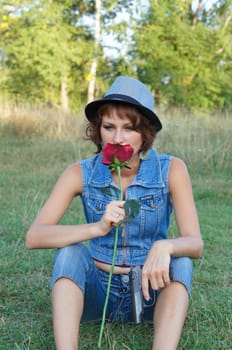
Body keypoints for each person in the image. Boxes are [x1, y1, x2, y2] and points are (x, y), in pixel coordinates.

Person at [25, 76, 203, 350]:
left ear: (145, 133)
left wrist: (165, 245)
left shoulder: (172, 169)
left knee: (181, 263)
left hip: (149, 292)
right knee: (69, 253)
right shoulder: (79, 173)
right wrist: (97, 228)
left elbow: (195, 244)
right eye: (108, 127)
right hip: (98, 293)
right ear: (98, 131)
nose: (117, 138)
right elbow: (34, 236)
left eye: (129, 128)